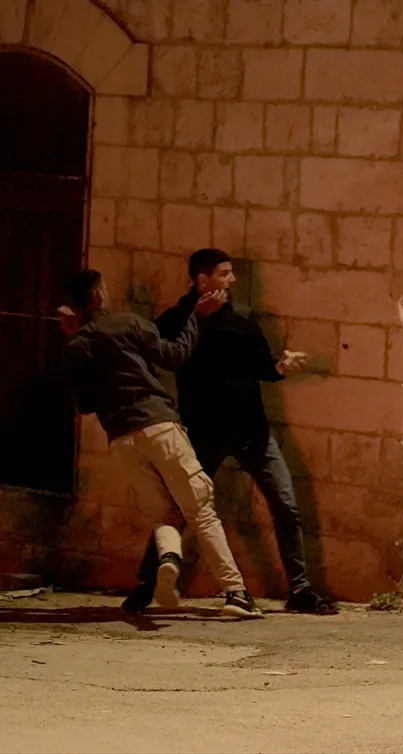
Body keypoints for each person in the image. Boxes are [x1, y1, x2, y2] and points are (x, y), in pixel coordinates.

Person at [60, 270, 264, 619]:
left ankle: (169, 559)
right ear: (98, 296)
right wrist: (196, 318)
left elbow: (85, 404)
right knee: (200, 510)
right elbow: (173, 355)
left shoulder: (76, 346)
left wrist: (78, 339)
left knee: (163, 514)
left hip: (122, 439)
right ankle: (236, 593)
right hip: (158, 425)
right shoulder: (128, 323)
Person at [153, 248, 338, 615]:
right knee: (179, 509)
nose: (232, 279)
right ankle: (148, 586)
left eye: (231, 273)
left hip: (253, 431)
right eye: (224, 273)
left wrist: (282, 367)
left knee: (285, 505)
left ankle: (300, 590)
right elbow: (156, 353)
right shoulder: (175, 320)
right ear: (202, 280)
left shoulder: (241, 317)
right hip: (204, 434)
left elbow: (263, 366)